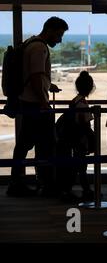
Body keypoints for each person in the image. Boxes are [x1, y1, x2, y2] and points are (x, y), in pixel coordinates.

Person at [7, 16, 68, 197]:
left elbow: (35, 76)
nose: (59, 39)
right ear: (49, 30)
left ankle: (18, 182)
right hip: (35, 105)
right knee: (47, 145)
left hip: (29, 102)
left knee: (25, 144)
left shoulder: (30, 43)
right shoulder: (39, 48)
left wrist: (48, 85)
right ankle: (46, 184)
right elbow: (35, 76)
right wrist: (43, 102)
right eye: (59, 35)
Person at [70, 71, 96, 201]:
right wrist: (92, 139)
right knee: (81, 166)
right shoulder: (83, 104)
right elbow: (85, 125)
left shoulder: (75, 101)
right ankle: (86, 190)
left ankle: (77, 189)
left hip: (74, 138)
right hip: (80, 139)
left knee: (78, 166)